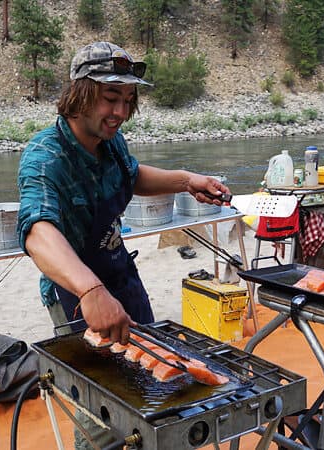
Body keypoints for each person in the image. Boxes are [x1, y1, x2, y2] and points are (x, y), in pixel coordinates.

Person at [17, 41, 229, 449]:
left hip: (121, 277)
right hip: (75, 293)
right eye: (110, 98)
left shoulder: (110, 142)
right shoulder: (45, 157)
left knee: (153, 383)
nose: (119, 112)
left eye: (127, 100)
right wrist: (91, 290)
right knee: (106, 410)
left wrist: (187, 180)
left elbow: (131, 176)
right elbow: (37, 232)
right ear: (78, 94)